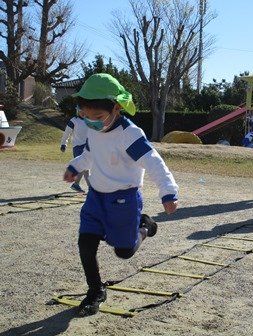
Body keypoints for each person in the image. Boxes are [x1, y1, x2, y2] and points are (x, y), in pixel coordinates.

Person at [63, 73, 179, 317]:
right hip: (96, 197)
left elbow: (154, 162)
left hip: (124, 200)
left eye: (98, 117)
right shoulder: (94, 128)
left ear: (116, 108)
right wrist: (76, 166)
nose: (91, 122)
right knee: (86, 243)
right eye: (86, 116)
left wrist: (168, 192)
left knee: (123, 251)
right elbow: (90, 154)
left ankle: (145, 225)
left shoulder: (130, 134)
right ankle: (95, 291)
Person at [60, 110, 89, 193]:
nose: (83, 112)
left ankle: (86, 188)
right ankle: (77, 185)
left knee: (86, 168)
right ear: (77, 111)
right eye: (81, 111)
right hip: (78, 147)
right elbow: (67, 132)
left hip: (87, 147)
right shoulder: (74, 120)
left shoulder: (89, 120)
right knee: (84, 167)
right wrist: (63, 144)